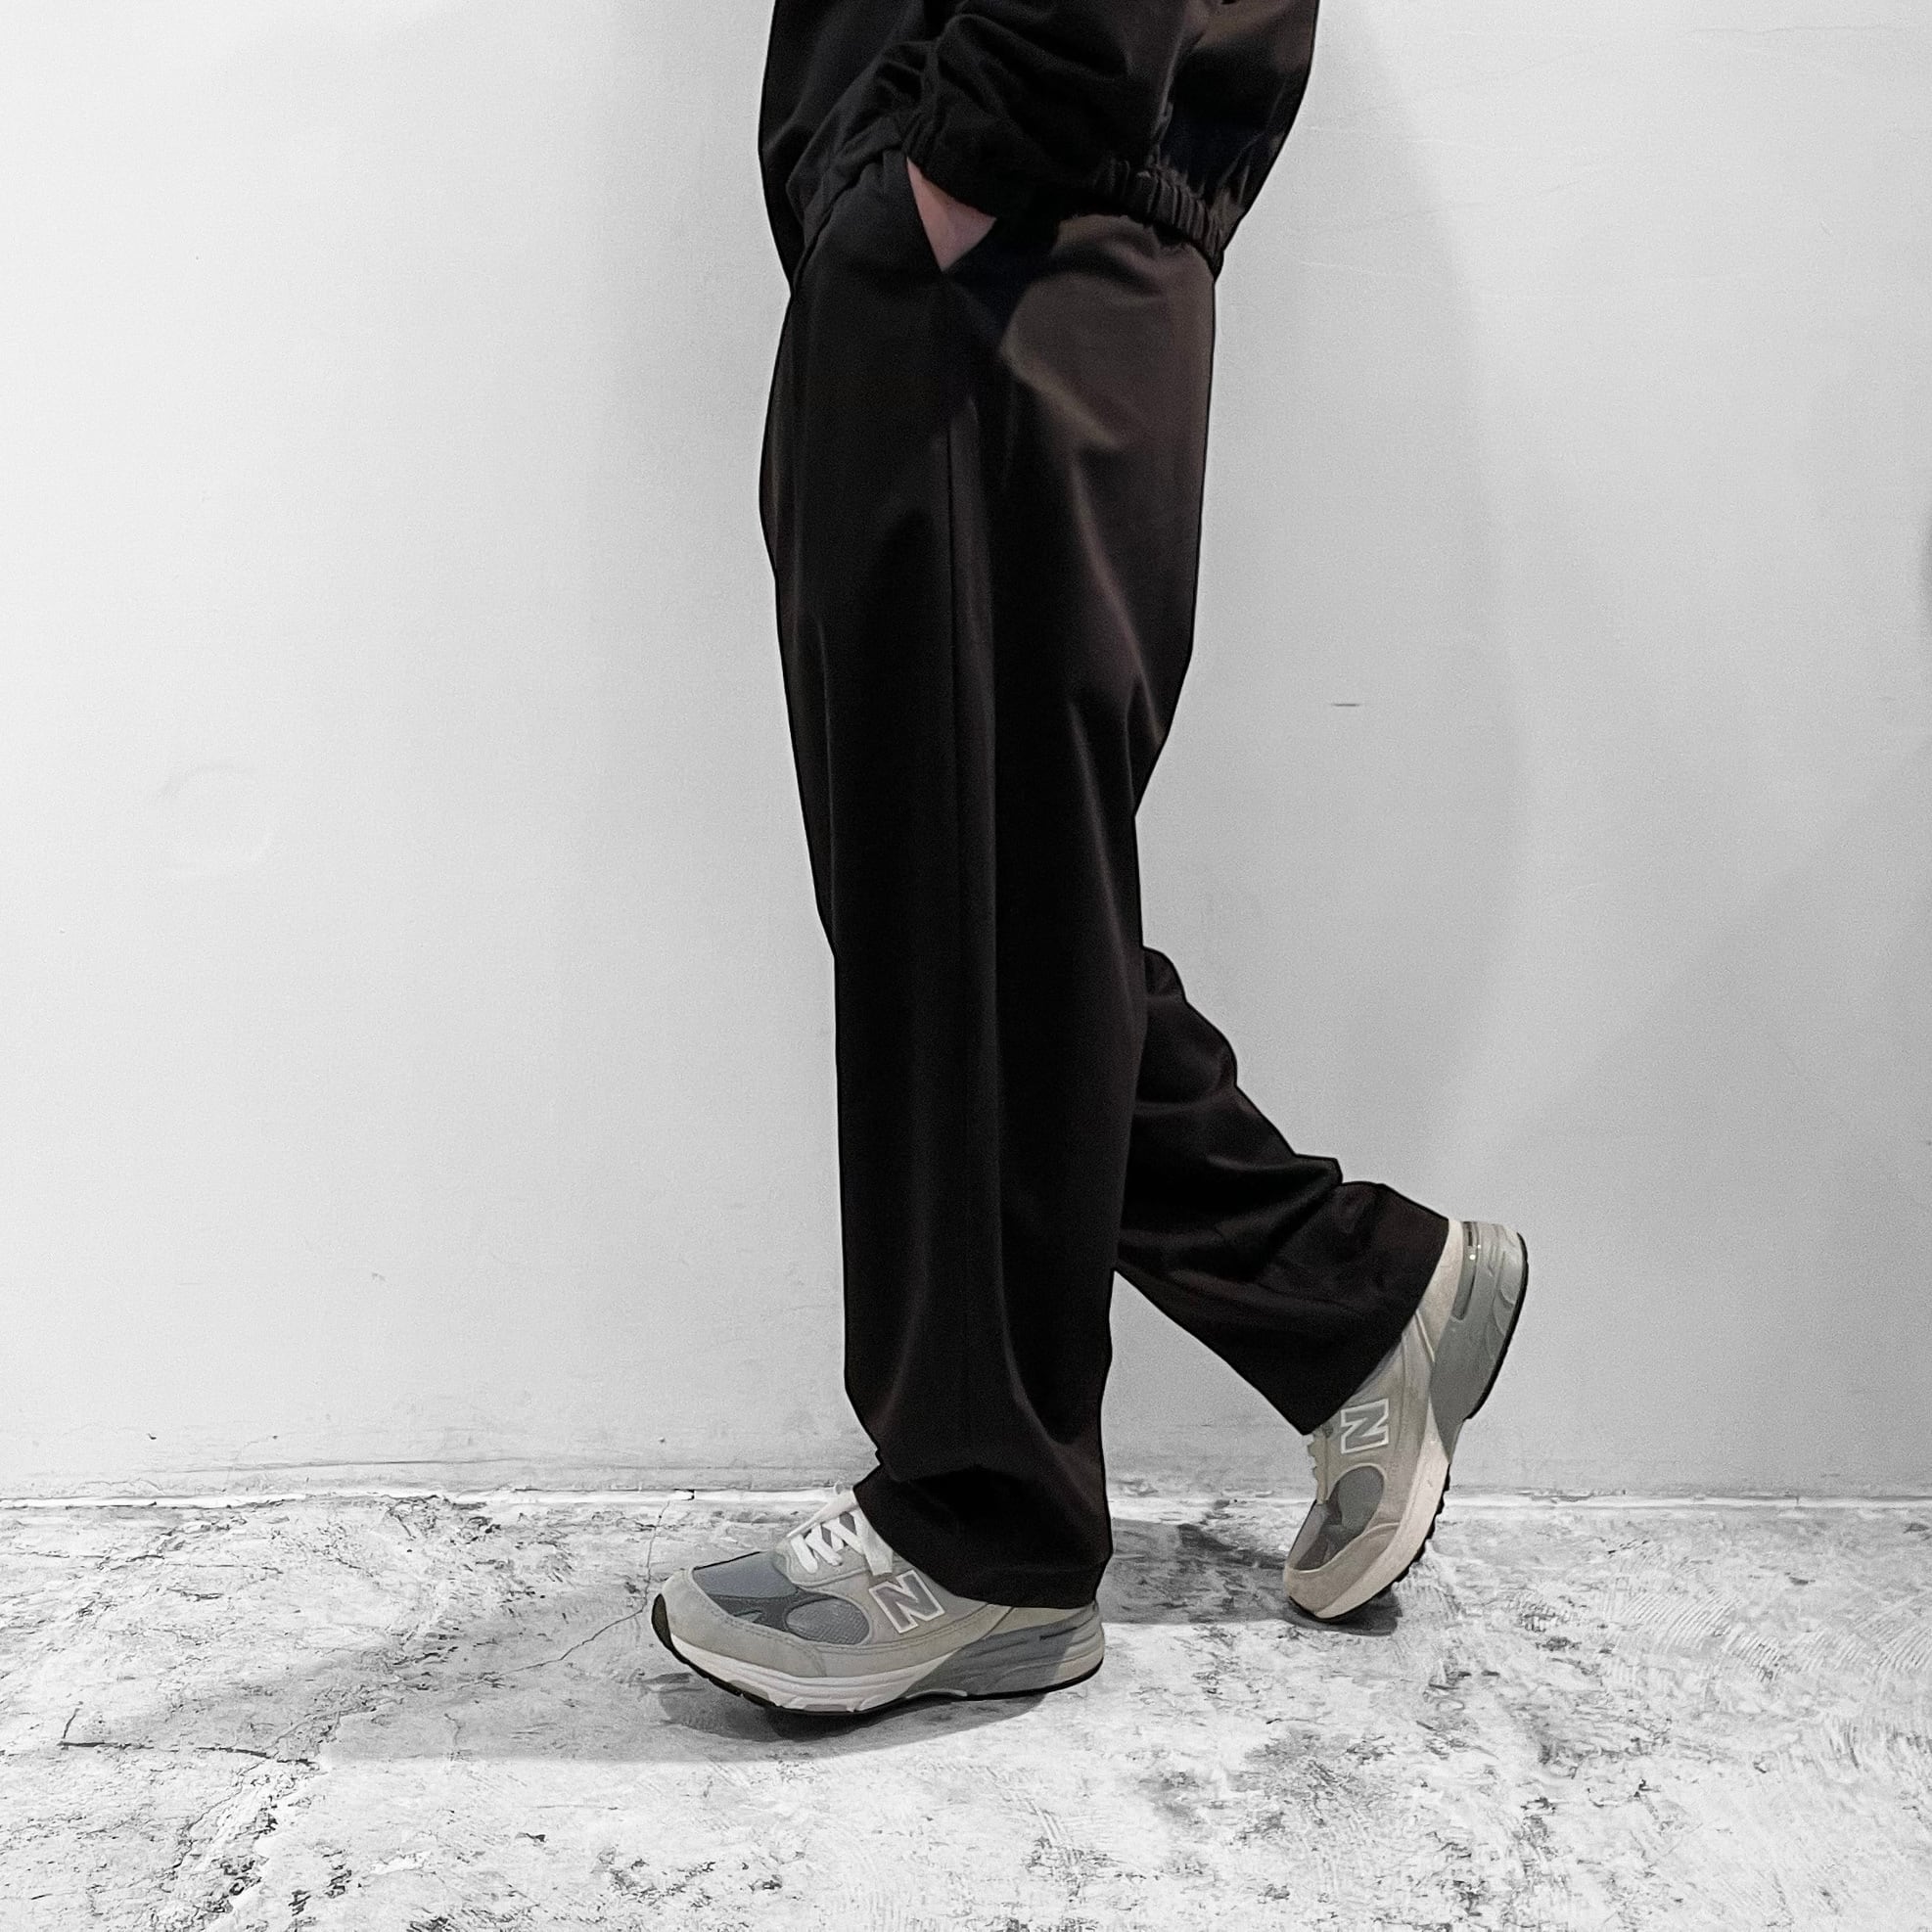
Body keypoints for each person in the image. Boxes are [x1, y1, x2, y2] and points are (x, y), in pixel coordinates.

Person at [651, 0, 1528, 1716]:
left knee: (973, 911)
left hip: (1004, 262)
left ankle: (984, 1538)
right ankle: (1348, 1297)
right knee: (983, 904)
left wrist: (960, 165)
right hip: (968, 258)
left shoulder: (988, 209)